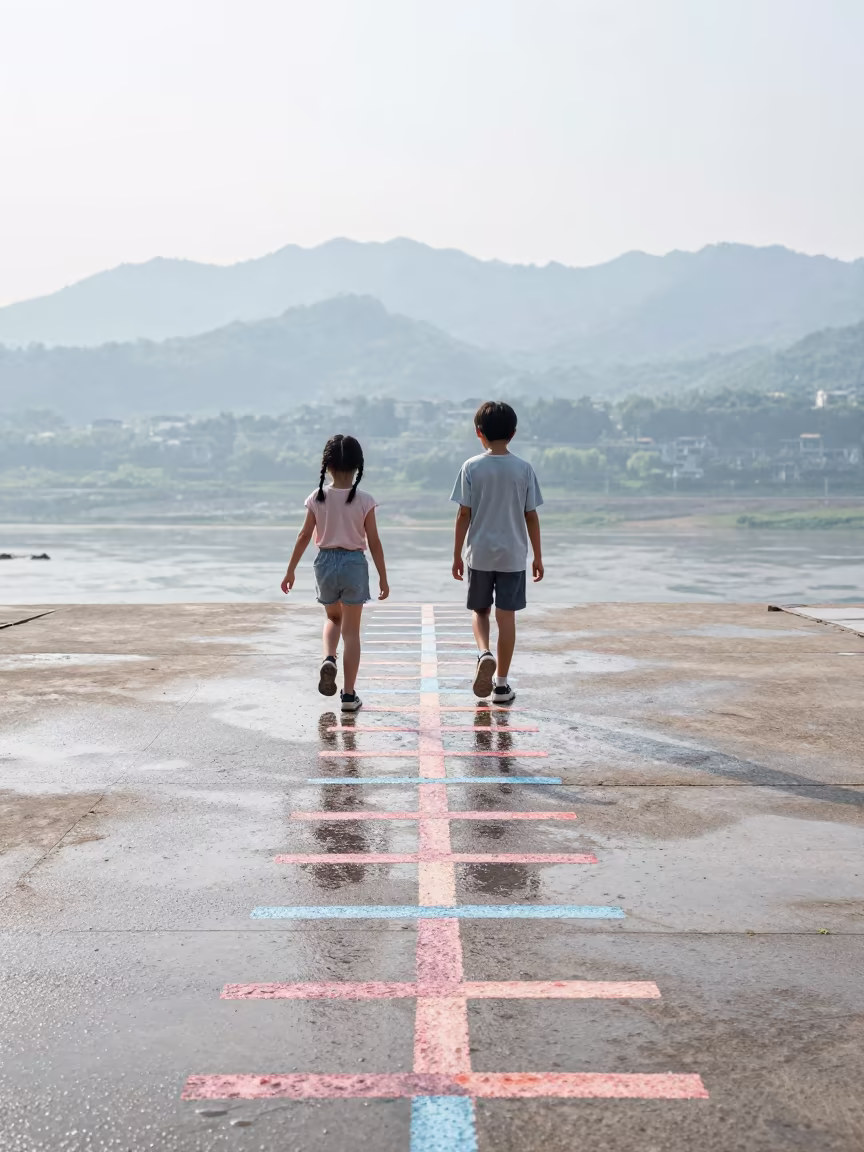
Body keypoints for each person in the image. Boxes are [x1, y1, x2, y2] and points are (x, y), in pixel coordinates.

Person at [281, 434, 389, 712]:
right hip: (354, 563)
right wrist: (383, 577)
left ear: (327, 466)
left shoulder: (317, 497)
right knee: (351, 632)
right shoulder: (365, 500)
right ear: (358, 466)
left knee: (332, 617)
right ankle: (349, 696)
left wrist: (290, 570)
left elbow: (304, 535)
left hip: (325, 563)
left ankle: (329, 657)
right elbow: (374, 541)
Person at [450, 401, 543, 703]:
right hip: (513, 556)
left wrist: (456, 555)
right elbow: (531, 515)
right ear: (513, 433)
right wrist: (538, 556)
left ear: (479, 432)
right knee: (507, 618)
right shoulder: (524, 469)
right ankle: (501, 685)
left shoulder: (471, 467)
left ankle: (484, 653)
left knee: (480, 611)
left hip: (479, 554)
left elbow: (464, 514)